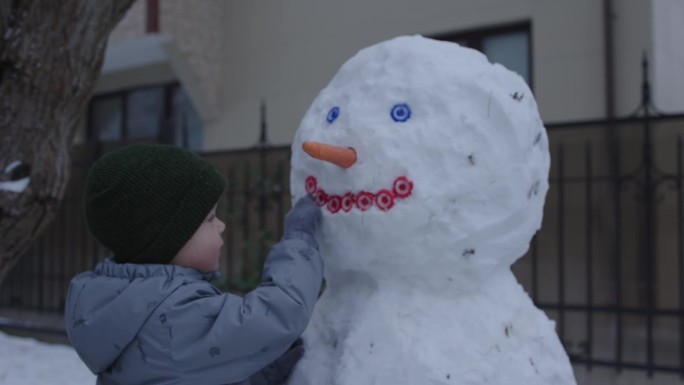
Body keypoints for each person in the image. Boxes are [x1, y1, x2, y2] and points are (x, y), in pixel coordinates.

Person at [64, 144, 323, 385]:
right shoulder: (172, 316)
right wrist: (298, 240)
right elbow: (279, 313)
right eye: (210, 218)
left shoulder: (129, 306)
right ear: (167, 239)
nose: (221, 225)